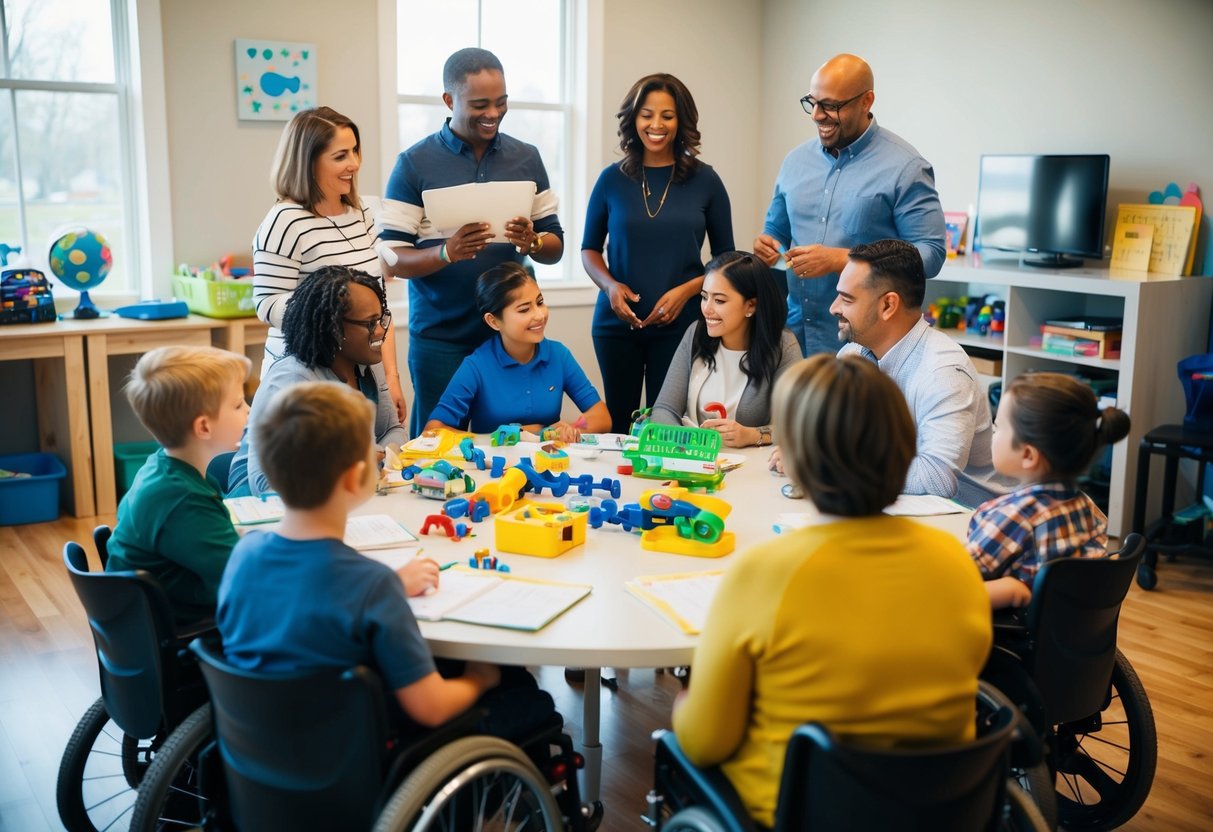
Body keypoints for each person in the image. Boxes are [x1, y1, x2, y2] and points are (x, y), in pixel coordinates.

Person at [671, 354, 991, 827]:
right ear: (902, 444)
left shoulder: (764, 573)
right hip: (936, 809)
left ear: (795, 455)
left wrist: (683, 705)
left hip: (799, 810)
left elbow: (705, 741)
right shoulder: (955, 562)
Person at [218, 382, 556, 740]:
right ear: (353, 478)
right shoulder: (371, 586)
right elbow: (432, 708)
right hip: (354, 756)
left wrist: (391, 583)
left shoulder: (244, 554)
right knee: (527, 696)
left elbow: (316, 596)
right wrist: (478, 679)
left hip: (264, 746)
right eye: (372, 451)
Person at [379, 47, 564, 437]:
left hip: (508, 336)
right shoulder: (414, 163)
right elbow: (390, 258)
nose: (493, 113)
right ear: (449, 100)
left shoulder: (527, 158)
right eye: (480, 104)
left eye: (501, 103)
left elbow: (556, 244)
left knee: (511, 441)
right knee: (437, 444)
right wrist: (446, 252)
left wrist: (532, 242)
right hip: (441, 337)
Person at [770, 239, 1012, 505]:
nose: (834, 307)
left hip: (967, 516)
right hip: (894, 504)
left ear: (888, 305)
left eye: (847, 299)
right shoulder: (852, 354)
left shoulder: (944, 372)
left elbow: (937, 478)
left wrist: (831, 467)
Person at [754, 53, 945, 357]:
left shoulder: (906, 167)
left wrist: (844, 259)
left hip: (868, 350)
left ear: (866, 101)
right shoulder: (795, 162)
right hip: (794, 339)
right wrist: (767, 244)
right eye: (812, 102)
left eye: (831, 105)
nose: (817, 115)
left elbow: (931, 255)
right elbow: (776, 228)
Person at [583, 73, 735, 433]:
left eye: (667, 115)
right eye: (646, 114)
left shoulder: (707, 181)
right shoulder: (611, 180)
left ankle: (660, 491)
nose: (656, 124)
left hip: (680, 328)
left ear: (681, 120)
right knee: (618, 424)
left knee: (665, 425)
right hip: (615, 325)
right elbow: (589, 249)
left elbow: (726, 259)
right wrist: (609, 287)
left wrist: (686, 291)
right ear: (633, 119)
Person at [252, 106, 406, 422]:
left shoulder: (360, 213)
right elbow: (266, 304)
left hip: (361, 372)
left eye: (355, 151)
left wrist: (390, 378)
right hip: (305, 376)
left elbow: (378, 309)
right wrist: (334, 317)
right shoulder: (285, 221)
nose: (355, 164)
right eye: (340, 156)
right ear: (308, 163)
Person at [227, 266, 405, 498]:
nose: (381, 330)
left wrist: (378, 456)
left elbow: (392, 430)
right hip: (261, 505)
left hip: (335, 493)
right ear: (334, 329)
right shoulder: (291, 383)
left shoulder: (367, 364)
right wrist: (355, 462)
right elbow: (264, 483)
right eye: (371, 323)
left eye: (382, 318)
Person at [106, 345, 251, 627]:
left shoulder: (163, 466)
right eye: (237, 404)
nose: (249, 409)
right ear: (204, 428)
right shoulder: (182, 500)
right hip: (186, 634)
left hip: (163, 615)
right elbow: (244, 577)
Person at [968, 372, 1131, 609]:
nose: (993, 434)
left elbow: (957, 576)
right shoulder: (1089, 509)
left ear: (1028, 455)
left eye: (998, 427)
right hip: (1067, 634)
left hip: (1012, 635)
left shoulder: (1012, 516)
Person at [425, 262, 610, 442]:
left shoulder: (559, 355)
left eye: (540, 302)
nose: (539, 315)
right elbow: (432, 432)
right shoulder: (476, 366)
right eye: (524, 310)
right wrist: (507, 437)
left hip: (548, 465)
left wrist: (566, 431)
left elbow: (601, 417)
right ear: (493, 321)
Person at [650, 252, 801, 448]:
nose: (707, 309)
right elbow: (664, 409)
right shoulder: (695, 333)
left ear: (751, 306)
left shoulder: (782, 345)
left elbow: (799, 423)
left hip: (753, 468)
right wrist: (684, 446)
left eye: (719, 301)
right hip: (695, 460)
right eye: (704, 297)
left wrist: (752, 435)